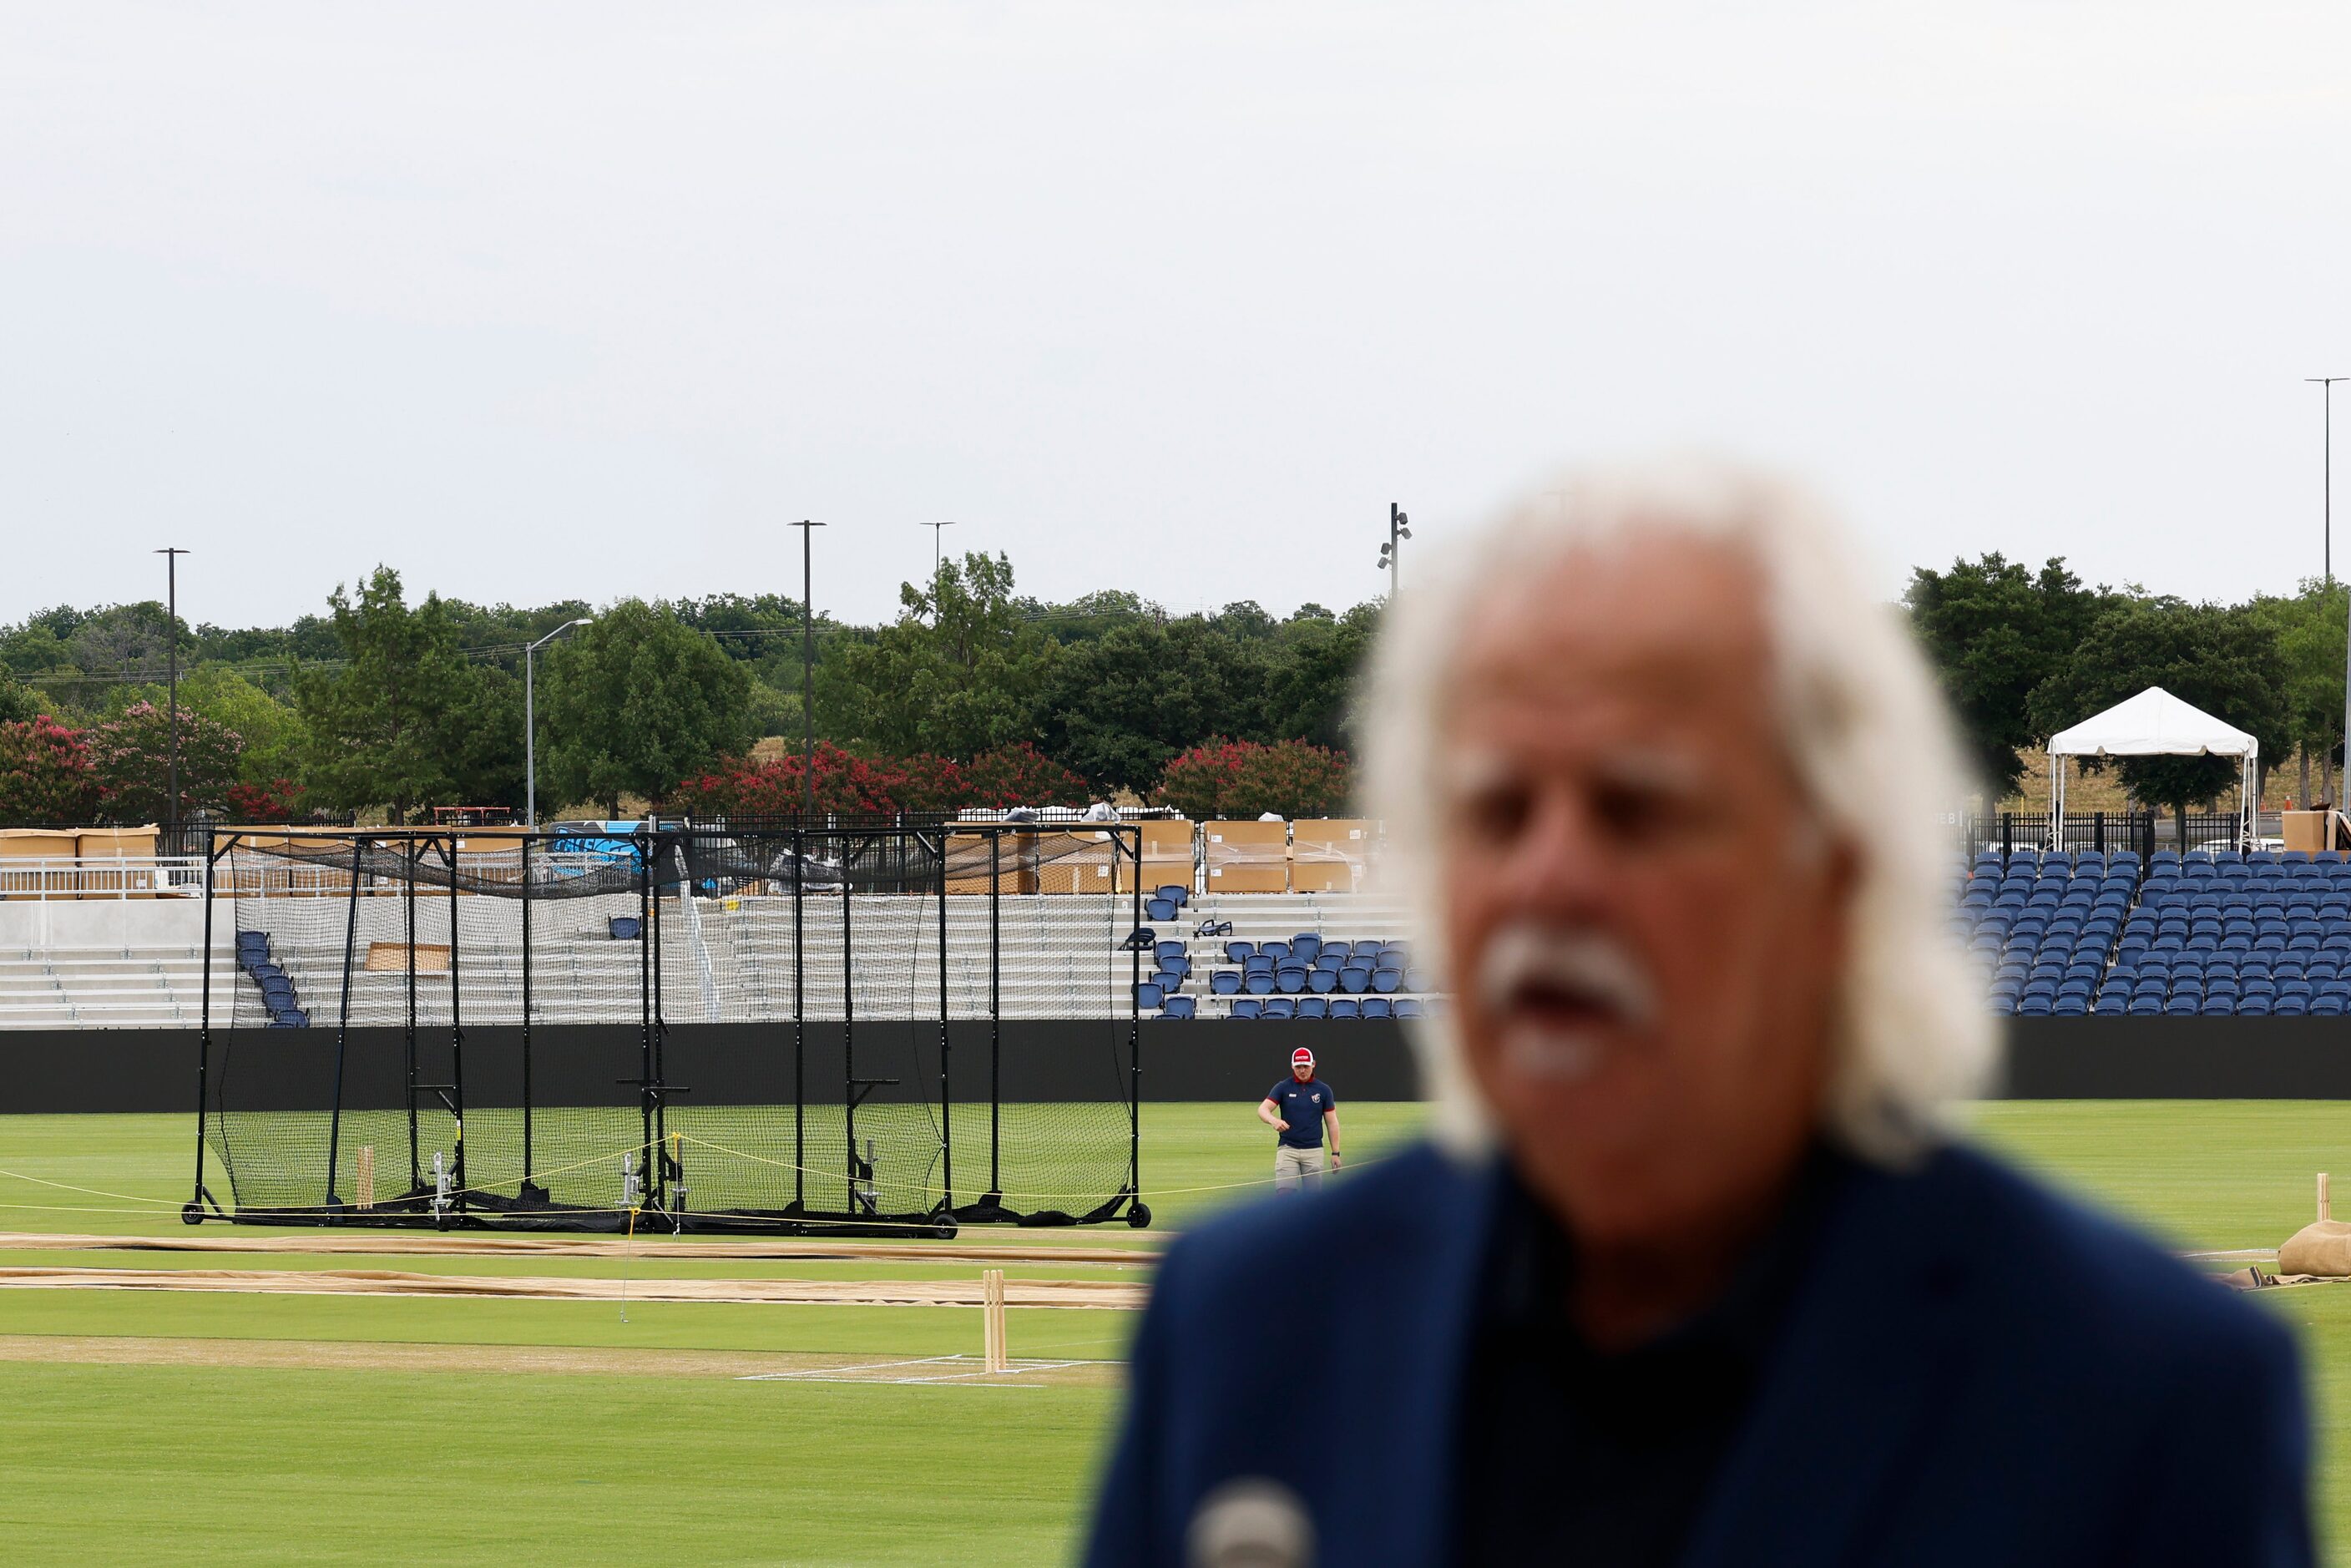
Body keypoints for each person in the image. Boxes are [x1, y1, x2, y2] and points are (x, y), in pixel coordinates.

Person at [1084, 459, 2311, 1567]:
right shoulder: (1244, 1328)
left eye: (1639, 807)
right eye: (1495, 810)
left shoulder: (2149, 1391)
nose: (1545, 880)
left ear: (1835, 876)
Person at [1259, 1047, 1342, 1194]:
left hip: (1314, 1150)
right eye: (1298, 1067)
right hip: (1288, 1149)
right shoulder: (1283, 1087)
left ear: (1313, 1064)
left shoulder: (1323, 1090)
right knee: (1284, 1195)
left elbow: (1332, 1122)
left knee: (1312, 1199)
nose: (1302, 1070)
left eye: (1306, 1066)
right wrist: (1274, 1121)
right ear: (1292, 1066)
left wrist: (1336, 1153)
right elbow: (1263, 1110)